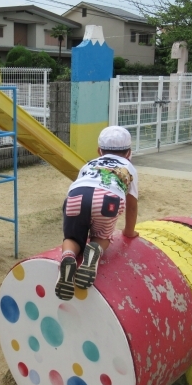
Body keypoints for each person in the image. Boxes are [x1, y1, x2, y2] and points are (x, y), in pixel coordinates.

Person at [55, 126, 139, 301]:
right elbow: (131, 205)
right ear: (129, 152)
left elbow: (82, 183)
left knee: (72, 237)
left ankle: (68, 257)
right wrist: (129, 232)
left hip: (76, 195)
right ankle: (95, 249)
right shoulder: (129, 167)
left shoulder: (89, 164)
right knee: (101, 235)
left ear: (99, 151)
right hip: (108, 200)